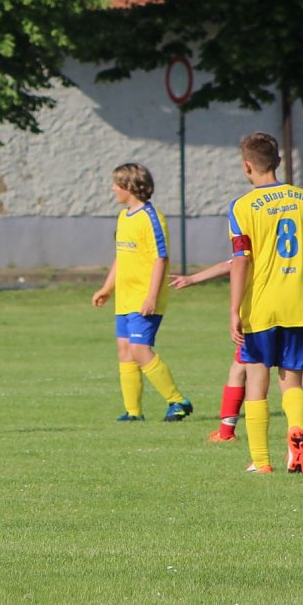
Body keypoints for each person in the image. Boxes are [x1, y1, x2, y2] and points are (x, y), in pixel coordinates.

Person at [170, 260, 303, 442]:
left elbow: (236, 263)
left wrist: (192, 279)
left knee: (240, 371)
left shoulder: (260, 239)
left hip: (262, 316)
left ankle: (227, 432)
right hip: (296, 317)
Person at [228, 132, 303, 474]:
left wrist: (234, 310)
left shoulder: (242, 206)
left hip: (261, 307)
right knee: (293, 380)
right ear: (278, 161)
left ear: (247, 166)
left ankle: (261, 461)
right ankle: (296, 434)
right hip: (298, 304)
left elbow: (241, 260)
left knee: (257, 381)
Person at [92, 163, 193, 422]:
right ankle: (133, 412)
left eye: (116, 184)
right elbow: (121, 256)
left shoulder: (151, 217)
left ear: (130, 186)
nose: (113, 189)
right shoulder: (124, 216)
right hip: (125, 298)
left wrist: (151, 296)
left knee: (139, 349)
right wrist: (107, 288)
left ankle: (177, 401)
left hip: (144, 297)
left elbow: (161, 258)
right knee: (125, 350)